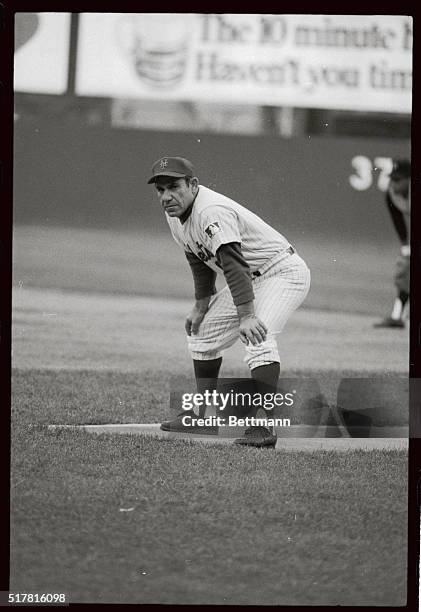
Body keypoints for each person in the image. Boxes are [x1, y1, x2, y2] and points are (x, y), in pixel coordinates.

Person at [148, 156, 310, 447]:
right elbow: (197, 255)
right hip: (253, 278)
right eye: (160, 190)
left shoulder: (211, 211)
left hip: (282, 272)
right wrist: (201, 304)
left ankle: (264, 426)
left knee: (258, 336)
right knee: (203, 333)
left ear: (193, 185)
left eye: (174, 187)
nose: (166, 196)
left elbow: (234, 264)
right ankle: (203, 413)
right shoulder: (175, 214)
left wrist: (247, 315)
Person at [374, 159, 411, 329]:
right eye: (392, 179)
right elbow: (398, 220)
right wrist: (405, 245)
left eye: (398, 180)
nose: (394, 183)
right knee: (404, 269)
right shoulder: (392, 193)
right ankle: (397, 316)